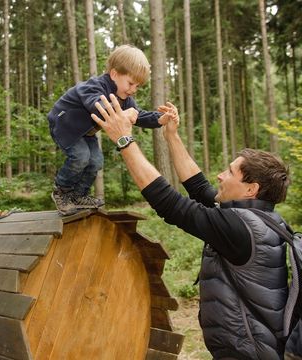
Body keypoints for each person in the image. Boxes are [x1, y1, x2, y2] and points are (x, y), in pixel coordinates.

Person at [91, 94, 291, 359]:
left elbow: (171, 205)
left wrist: (124, 140)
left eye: (230, 173)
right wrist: (171, 135)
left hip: (249, 352)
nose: (220, 175)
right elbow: (198, 187)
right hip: (256, 347)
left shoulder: (238, 228)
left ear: (251, 189)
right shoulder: (263, 220)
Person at [48, 44, 172, 215]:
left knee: (96, 161)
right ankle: (61, 191)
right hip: (65, 125)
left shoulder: (124, 96)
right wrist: (123, 113)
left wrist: (159, 119)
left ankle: (79, 195)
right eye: (130, 83)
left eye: (137, 86)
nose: (133, 90)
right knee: (81, 157)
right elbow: (97, 105)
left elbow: (138, 115)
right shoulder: (93, 86)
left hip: (85, 131)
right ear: (114, 74)